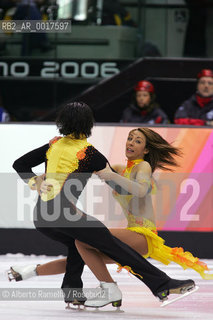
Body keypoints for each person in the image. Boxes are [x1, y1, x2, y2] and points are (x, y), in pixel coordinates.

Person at [11, 108, 198, 308]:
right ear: (88, 125)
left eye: (136, 140)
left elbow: (19, 164)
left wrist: (34, 183)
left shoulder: (54, 145)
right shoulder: (91, 154)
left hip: (41, 217)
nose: (131, 142)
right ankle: (158, 284)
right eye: (130, 138)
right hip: (64, 214)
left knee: (79, 245)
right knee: (111, 245)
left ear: (62, 123)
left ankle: (72, 291)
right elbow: (118, 185)